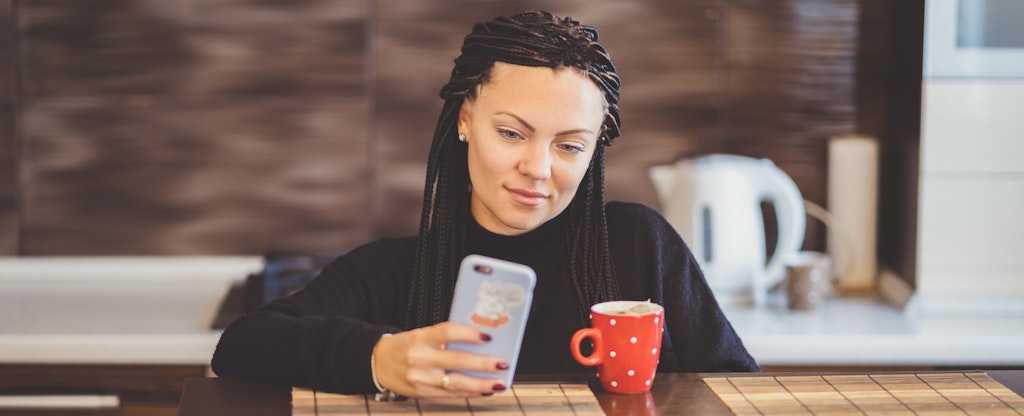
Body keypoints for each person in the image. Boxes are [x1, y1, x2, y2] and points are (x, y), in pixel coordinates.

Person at [211, 10, 758, 399]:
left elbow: (739, 389)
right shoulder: (393, 273)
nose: (538, 168)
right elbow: (243, 344)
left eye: (569, 145)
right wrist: (381, 359)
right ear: (467, 120)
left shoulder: (638, 246)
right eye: (513, 133)